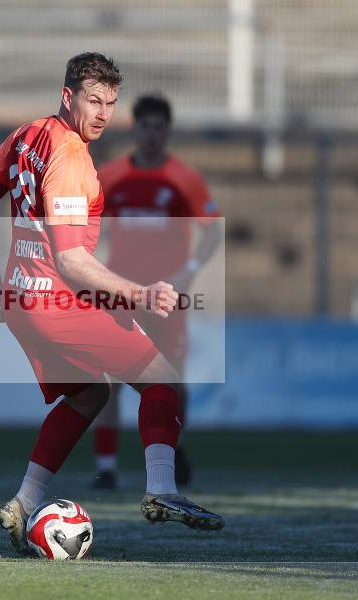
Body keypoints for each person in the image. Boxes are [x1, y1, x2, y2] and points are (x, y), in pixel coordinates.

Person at [0, 52, 224, 555]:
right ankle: (163, 492)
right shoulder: (72, 157)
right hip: (57, 302)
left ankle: (24, 501)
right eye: (93, 100)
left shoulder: (26, 134)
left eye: (110, 102)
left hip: (21, 299)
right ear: (68, 96)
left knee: (89, 397)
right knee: (162, 378)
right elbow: (72, 262)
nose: (103, 112)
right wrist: (140, 293)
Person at [91, 94, 223, 490]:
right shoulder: (111, 176)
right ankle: (107, 467)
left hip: (167, 297)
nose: (151, 134)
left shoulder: (184, 179)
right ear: (134, 129)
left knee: (171, 381)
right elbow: (84, 222)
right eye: (144, 126)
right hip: (122, 293)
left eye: (158, 126)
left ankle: (173, 451)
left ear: (167, 130)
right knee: (109, 381)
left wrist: (189, 271)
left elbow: (212, 230)